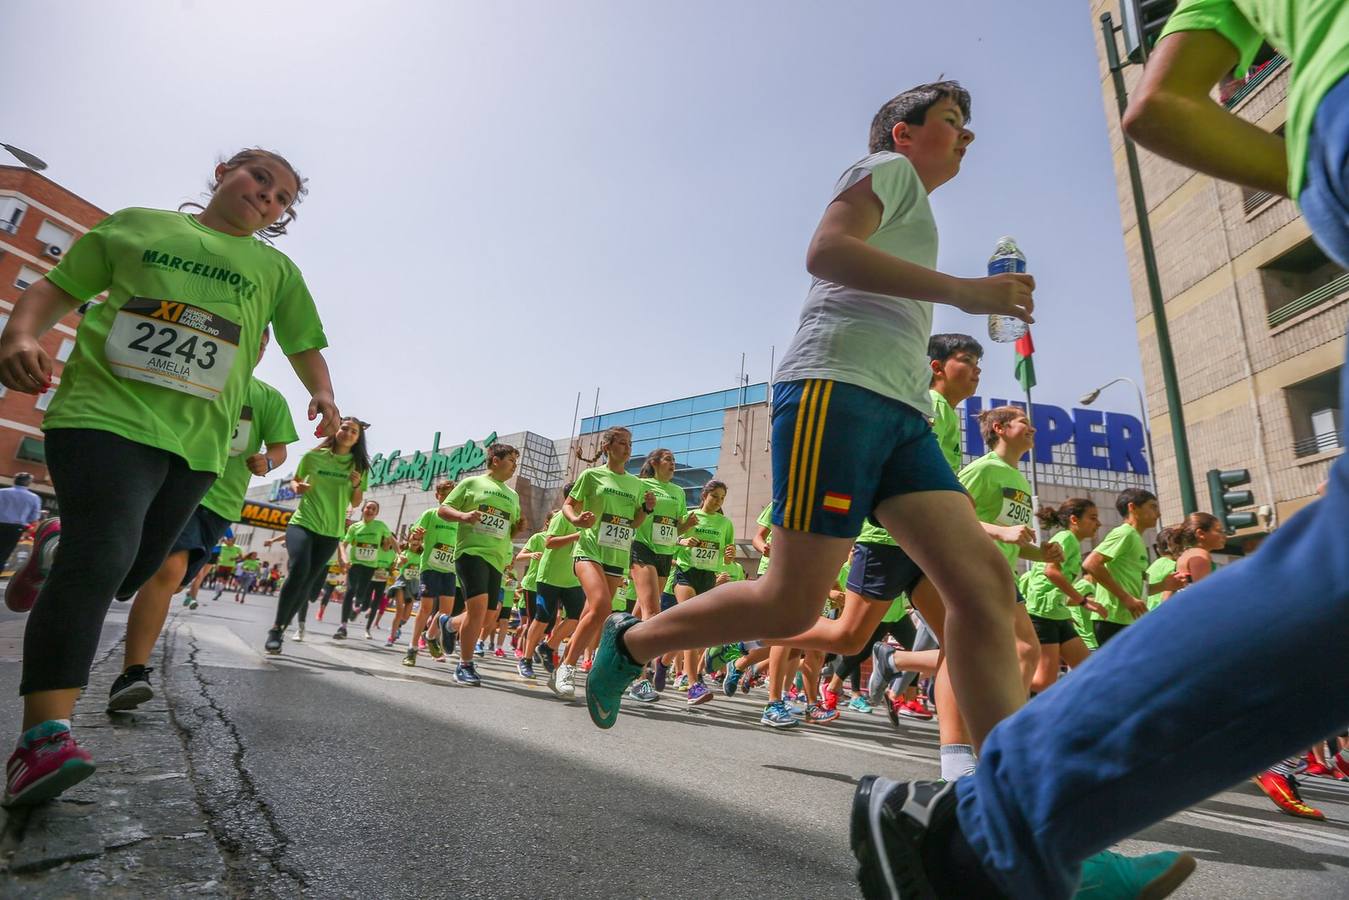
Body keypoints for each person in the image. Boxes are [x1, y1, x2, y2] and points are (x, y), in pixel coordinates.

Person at [849, 4, 1349, 897]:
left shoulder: (975, 437)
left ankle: (985, 807)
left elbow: (1157, 104)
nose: (967, 139)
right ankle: (985, 802)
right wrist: (1040, 555)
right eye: (954, 125)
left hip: (1331, 127)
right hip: (891, 511)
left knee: (982, 619)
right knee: (847, 616)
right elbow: (830, 261)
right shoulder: (885, 186)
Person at [0, 148, 337, 808]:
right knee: (103, 556)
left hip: (198, 445)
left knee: (132, 569)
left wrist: (323, 393)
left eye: (281, 199)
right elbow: (52, 289)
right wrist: (19, 332)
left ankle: (58, 547)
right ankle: (42, 739)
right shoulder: (137, 227)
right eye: (258, 178)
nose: (266, 197)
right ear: (222, 173)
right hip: (103, 411)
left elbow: (302, 342)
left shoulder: (274, 270)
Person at [267, 417, 370, 654]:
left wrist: (355, 485)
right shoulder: (313, 457)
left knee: (308, 582)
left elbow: (356, 502)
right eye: (344, 427)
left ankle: (281, 629)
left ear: (358, 439)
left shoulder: (359, 468)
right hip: (303, 522)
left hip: (330, 532)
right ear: (337, 430)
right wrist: (297, 487)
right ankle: (275, 628)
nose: (347, 432)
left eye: (353, 431)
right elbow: (295, 481)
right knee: (299, 569)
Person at [441, 443, 523, 686]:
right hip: (471, 553)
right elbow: (443, 509)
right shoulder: (471, 484)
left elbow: (511, 527)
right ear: (495, 460)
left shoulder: (513, 495)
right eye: (510, 461)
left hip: (496, 560)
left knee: (487, 615)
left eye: (515, 463)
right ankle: (465, 665)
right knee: (477, 610)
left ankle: (449, 623)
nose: (514, 467)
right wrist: (463, 516)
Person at [1084, 489, 1184, 646]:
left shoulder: (1136, 538)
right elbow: (1091, 563)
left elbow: (1138, 590)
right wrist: (1126, 598)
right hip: (1113, 620)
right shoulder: (1125, 533)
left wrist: (1164, 585)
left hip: (1129, 620)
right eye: (1152, 507)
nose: (1158, 514)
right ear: (1132, 508)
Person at [0, 473, 42, 578]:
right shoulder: (34, 498)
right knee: (4, 554)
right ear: (29, 483)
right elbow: (34, 519)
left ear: (14, 480)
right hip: (15, 528)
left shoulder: (1, 492)